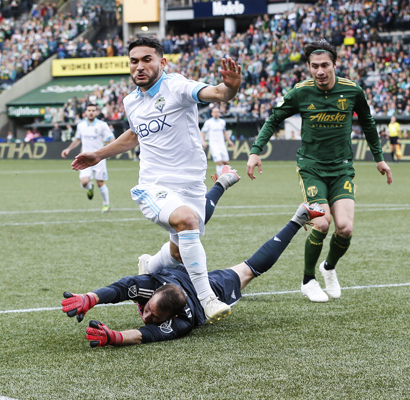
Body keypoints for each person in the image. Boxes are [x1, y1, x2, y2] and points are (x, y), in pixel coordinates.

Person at [70, 37, 242, 322]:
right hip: (153, 186)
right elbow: (136, 134)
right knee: (187, 220)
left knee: (178, 250)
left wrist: (232, 86)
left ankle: (150, 263)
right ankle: (207, 298)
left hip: (191, 185)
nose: (140, 66)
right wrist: (99, 154)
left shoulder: (178, 87)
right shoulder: (131, 101)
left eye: (147, 59)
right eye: (134, 61)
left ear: (162, 62)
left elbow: (219, 93)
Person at [61, 181, 326, 347]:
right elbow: (119, 289)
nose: (148, 316)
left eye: (154, 316)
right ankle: (220, 184)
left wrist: (114, 336)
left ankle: (298, 218)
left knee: (250, 270)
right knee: (187, 229)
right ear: (154, 293)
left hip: (212, 288)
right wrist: (90, 298)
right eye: (150, 309)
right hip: (172, 273)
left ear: (172, 317)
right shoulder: (153, 287)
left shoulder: (183, 323)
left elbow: (144, 335)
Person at [246, 39, 393, 303]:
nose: (320, 71)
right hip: (311, 169)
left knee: (345, 228)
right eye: (314, 66)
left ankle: (328, 267)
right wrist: (256, 150)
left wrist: (379, 159)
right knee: (322, 222)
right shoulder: (300, 92)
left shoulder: (352, 90)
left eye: (325, 65)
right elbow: (274, 119)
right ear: (309, 67)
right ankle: (308, 280)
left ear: (335, 65)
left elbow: (369, 123)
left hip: (342, 169)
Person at [61, 104, 115, 213]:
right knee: (84, 182)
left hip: (99, 158)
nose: (91, 112)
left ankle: (106, 204)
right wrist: (68, 149)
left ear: (96, 112)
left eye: (93, 110)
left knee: (100, 183)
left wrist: (111, 150)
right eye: (89, 110)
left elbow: (112, 139)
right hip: (85, 158)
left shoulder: (102, 125)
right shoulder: (81, 126)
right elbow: (77, 140)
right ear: (85, 112)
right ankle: (90, 187)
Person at [201, 106, 235, 176]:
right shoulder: (208, 122)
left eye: (217, 112)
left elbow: (224, 132)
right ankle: (220, 178)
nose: (216, 113)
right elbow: (202, 132)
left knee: (226, 163)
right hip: (214, 145)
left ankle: (225, 176)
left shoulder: (222, 122)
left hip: (222, 144)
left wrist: (229, 141)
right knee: (219, 162)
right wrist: (203, 141)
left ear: (219, 113)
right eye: (214, 112)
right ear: (212, 113)